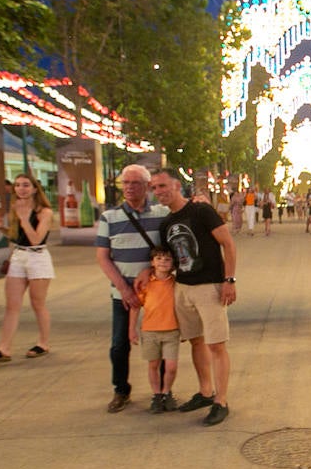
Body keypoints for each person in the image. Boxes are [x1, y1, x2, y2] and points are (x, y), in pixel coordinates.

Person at [149, 168, 238, 427]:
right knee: (196, 342)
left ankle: (221, 401)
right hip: (183, 287)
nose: (159, 192)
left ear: (177, 186)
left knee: (216, 345)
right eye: (154, 188)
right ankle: (206, 391)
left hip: (209, 286)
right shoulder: (166, 224)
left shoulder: (201, 211)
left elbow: (228, 244)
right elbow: (168, 257)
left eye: (163, 186)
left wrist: (229, 280)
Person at [95, 164, 169, 413]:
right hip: (122, 294)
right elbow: (103, 257)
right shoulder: (110, 217)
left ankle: (161, 392)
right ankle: (120, 389)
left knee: (159, 342)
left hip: (156, 294)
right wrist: (124, 289)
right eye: (125, 183)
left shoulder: (161, 214)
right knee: (119, 345)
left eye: (135, 183)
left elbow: (167, 251)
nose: (128, 187)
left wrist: (149, 270)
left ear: (147, 186)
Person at [0, 174, 54, 362]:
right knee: (12, 305)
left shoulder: (44, 212)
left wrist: (24, 218)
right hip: (18, 256)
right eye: (17, 185)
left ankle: (43, 343)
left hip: (38, 257)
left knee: (37, 303)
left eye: (25, 185)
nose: (21, 188)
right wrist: (0, 228)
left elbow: (36, 239)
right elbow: (17, 237)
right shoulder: (15, 208)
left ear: (34, 189)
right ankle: (4, 348)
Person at [131, 246, 182, 413]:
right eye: (159, 259)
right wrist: (131, 329)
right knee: (153, 364)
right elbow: (136, 307)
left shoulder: (176, 283)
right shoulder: (146, 284)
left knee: (171, 366)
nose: (163, 263)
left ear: (173, 263)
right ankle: (157, 395)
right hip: (150, 330)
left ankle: (167, 391)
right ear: (152, 262)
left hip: (171, 330)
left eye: (167, 259)